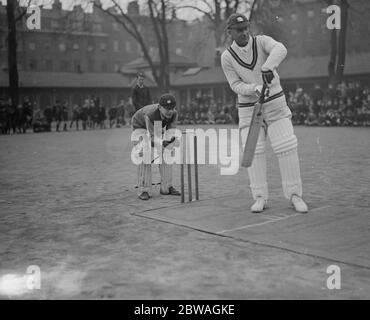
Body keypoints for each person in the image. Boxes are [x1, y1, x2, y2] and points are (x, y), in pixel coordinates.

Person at [221, 13, 308, 213]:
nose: (244, 33)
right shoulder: (227, 57)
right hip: (249, 108)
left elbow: (281, 48)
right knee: (255, 152)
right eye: (239, 30)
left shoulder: (261, 42)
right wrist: (253, 88)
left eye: (246, 28)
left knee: (286, 146)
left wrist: (269, 66)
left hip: (275, 101)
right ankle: (260, 197)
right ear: (230, 32)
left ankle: (295, 195)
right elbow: (235, 84)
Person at [131, 93, 181, 200]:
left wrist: (168, 142)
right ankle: (144, 190)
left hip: (157, 126)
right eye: (167, 109)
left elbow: (170, 132)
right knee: (145, 154)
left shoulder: (174, 114)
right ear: (159, 107)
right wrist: (160, 144)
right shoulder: (150, 115)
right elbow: (153, 137)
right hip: (140, 126)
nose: (170, 111)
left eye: (172, 108)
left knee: (167, 153)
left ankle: (166, 187)